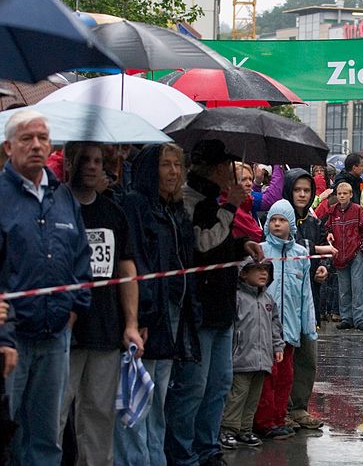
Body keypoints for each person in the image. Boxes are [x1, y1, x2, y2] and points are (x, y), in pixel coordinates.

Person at [0, 111, 92, 466]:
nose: (36, 145)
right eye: (26, 138)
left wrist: (74, 307)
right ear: (9, 147)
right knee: (8, 434)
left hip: (56, 336)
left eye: (42, 137)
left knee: (46, 437)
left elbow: (81, 258)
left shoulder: (63, 198)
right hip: (11, 340)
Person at [165, 140, 264, 466]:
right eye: (226, 166)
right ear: (212, 167)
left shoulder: (212, 200)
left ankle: (208, 450)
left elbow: (220, 246)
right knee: (194, 386)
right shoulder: (190, 201)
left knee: (219, 384)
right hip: (198, 308)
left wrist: (242, 245)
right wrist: (231, 207)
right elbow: (203, 243)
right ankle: (182, 453)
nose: (232, 173)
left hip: (223, 306)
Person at [59, 142, 144, 465]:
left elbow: (127, 268)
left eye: (98, 160)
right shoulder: (55, 207)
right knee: (54, 416)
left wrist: (132, 323)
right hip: (64, 332)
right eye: (84, 160)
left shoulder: (113, 213)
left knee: (98, 415)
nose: (92, 166)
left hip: (106, 331)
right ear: (69, 162)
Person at [118, 143, 201, 466]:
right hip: (147, 318)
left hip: (173, 317)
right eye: (166, 165)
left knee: (158, 404)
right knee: (139, 405)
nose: (173, 172)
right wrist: (140, 316)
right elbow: (138, 262)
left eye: (177, 165)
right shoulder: (137, 205)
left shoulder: (176, 210)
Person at [254, 200, 318, 440]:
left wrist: (308, 328)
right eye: (273, 220)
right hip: (264, 329)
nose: (277, 224)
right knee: (267, 376)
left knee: (285, 376)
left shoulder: (300, 254)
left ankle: (280, 418)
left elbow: (305, 295)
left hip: (289, 329)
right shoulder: (261, 251)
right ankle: (264, 421)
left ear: (290, 224)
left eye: (281, 220)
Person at [282, 169, 331, 430]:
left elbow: (321, 251)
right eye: (297, 190)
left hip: (309, 299)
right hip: (283, 302)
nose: (302, 195)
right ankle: (281, 410)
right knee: (284, 359)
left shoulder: (313, 220)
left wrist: (323, 267)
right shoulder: (277, 218)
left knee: (307, 358)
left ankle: (300, 407)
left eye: (307, 190)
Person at [219, 261, 283, 449]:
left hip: (263, 359)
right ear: (243, 274)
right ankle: (228, 429)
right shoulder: (237, 298)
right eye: (258, 270)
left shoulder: (268, 300)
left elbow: (275, 326)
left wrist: (278, 347)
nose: (263, 274)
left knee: (253, 397)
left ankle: (245, 429)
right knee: (237, 395)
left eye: (266, 270)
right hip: (241, 357)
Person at [326, 182, 363, 331]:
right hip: (339, 253)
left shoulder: (358, 210)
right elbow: (327, 228)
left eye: (345, 193)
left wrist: (361, 249)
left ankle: (359, 318)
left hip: (355, 252)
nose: (341, 196)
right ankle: (346, 317)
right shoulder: (332, 211)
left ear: (351, 195)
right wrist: (329, 237)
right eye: (339, 194)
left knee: (358, 286)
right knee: (344, 287)